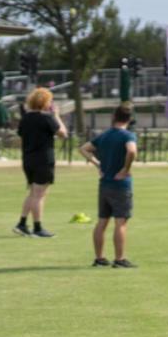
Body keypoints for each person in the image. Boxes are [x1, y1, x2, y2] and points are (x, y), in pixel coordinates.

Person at [80, 102, 137, 269]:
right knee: (121, 222)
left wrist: (97, 164)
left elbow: (83, 149)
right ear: (130, 119)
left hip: (104, 184)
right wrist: (126, 169)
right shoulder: (128, 136)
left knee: (102, 222)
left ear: (114, 117)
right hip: (121, 184)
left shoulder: (104, 135)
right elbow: (132, 151)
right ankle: (119, 259)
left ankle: (99, 258)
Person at [14, 87, 68, 238]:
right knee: (39, 195)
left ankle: (22, 223)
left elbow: (21, 135)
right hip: (43, 160)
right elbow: (63, 134)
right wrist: (56, 115)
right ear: (45, 102)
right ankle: (38, 228)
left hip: (28, 159)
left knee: (33, 192)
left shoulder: (25, 118)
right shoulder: (46, 118)